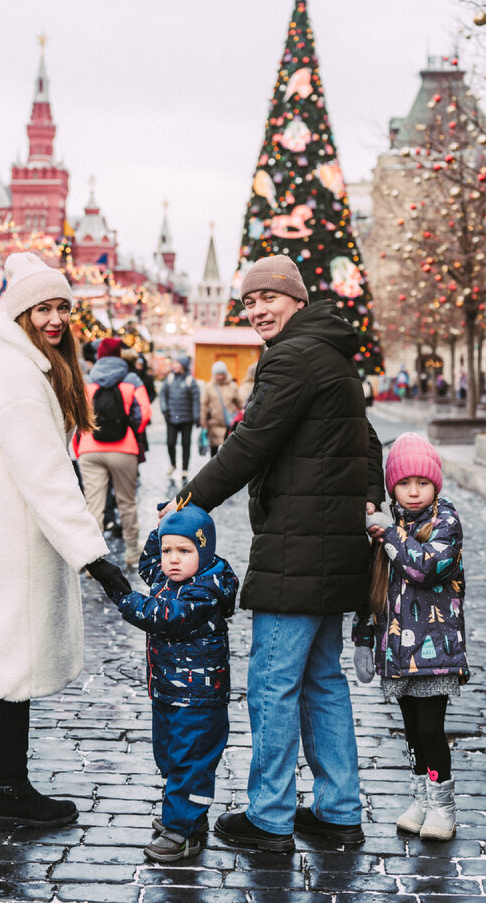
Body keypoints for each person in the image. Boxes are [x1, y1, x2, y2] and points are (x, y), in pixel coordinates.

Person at [161, 254, 385, 852]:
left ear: (297, 300)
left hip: (297, 547)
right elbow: (368, 442)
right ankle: (338, 810)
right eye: (250, 302)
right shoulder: (333, 354)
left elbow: (250, 443)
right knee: (322, 682)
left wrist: (191, 499)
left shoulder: (292, 356)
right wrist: (365, 501)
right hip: (330, 547)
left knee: (273, 684)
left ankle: (270, 817)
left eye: (270, 299)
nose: (258, 310)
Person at [0, 252, 113, 831]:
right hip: (11, 540)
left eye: (62, 307)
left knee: (0, 666)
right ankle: (10, 792)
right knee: (10, 666)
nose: (55, 319)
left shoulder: (11, 364)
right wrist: (98, 560)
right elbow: (47, 476)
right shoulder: (16, 375)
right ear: (19, 311)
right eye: (42, 307)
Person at [91, 502, 238, 863]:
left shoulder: (204, 589)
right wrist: (163, 528)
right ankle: (186, 820)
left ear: (203, 552)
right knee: (170, 758)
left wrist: (121, 594)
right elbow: (148, 564)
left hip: (200, 701)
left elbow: (163, 616)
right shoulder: (171, 577)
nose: (172, 559)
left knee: (190, 763)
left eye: (184, 551)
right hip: (168, 693)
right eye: (168, 551)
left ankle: (184, 831)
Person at [353, 432, 468, 842]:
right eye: (404, 484)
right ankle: (421, 797)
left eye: (422, 482)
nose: (414, 491)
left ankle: (443, 806)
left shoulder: (445, 523)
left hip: (435, 653)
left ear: (436, 483)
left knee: (431, 728)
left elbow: (425, 568)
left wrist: (388, 535)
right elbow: (372, 587)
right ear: (392, 487)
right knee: (412, 731)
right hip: (398, 654)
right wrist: (363, 638)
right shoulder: (390, 527)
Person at [76, 337, 151, 568]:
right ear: (119, 355)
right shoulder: (131, 379)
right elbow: (145, 412)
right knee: (127, 502)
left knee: (93, 505)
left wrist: (85, 437)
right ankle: (131, 552)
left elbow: (76, 413)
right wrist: (132, 431)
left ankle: (94, 561)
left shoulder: (87, 380)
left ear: (98, 356)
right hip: (124, 448)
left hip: (90, 449)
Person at [160, 356, 200, 484]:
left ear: (183, 365)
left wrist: (196, 416)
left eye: (177, 363)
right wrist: (165, 409)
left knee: (186, 444)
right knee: (170, 443)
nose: (174, 366)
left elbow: (195, 400)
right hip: (171, 417)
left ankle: (184, 469)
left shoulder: (190, 380)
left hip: (186, 419)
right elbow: (162, 395)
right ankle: (173, 464)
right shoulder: (170, 379)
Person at [200, 361, 240, 457]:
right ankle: (213, 470)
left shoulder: (233, 386)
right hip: (214, 423)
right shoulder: (209, 387)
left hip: (229, 424)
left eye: (222, 374)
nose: (220, 377)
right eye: (218, 374)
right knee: (214, 450)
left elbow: (240, 403)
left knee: (228, 450)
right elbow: (204, 405)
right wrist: (203, 421)